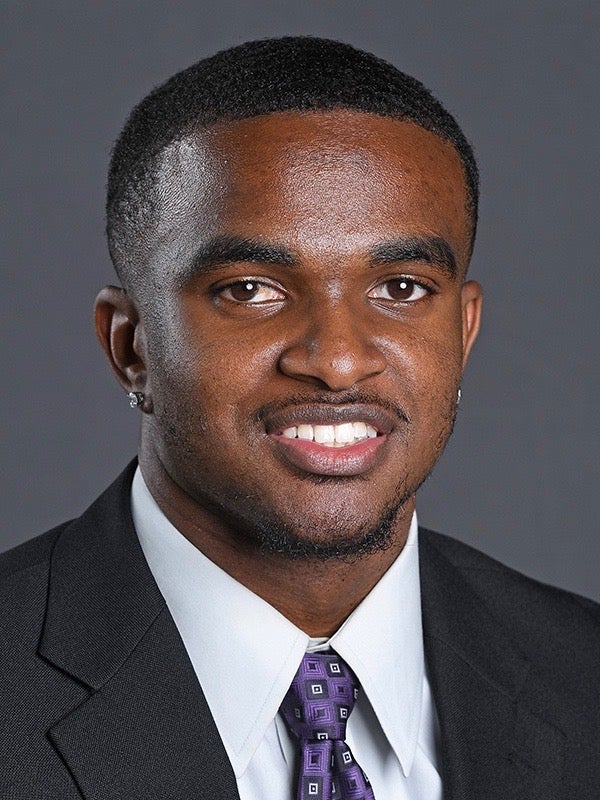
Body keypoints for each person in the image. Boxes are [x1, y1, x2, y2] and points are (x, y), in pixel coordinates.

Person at [1, 36, 598, 800]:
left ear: (464, 330)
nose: (338, 360)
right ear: (131, 346)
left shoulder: (582, 676)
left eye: (402, 289)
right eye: (250, 290)